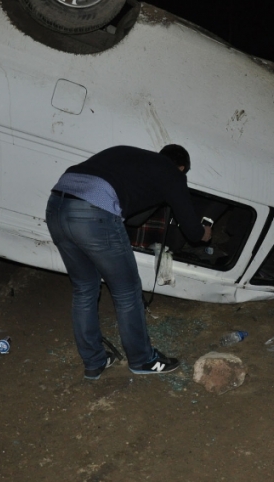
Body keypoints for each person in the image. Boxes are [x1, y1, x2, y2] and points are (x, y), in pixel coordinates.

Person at [45, 144, 212, 379]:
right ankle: (142, 360)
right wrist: (204, 232)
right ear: (182, 167)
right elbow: (192, 230)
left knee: (84, 288)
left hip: (57, 206)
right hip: (94, 212)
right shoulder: (171, 173)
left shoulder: (127, 154)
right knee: (127, 291)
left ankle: (94, 362)